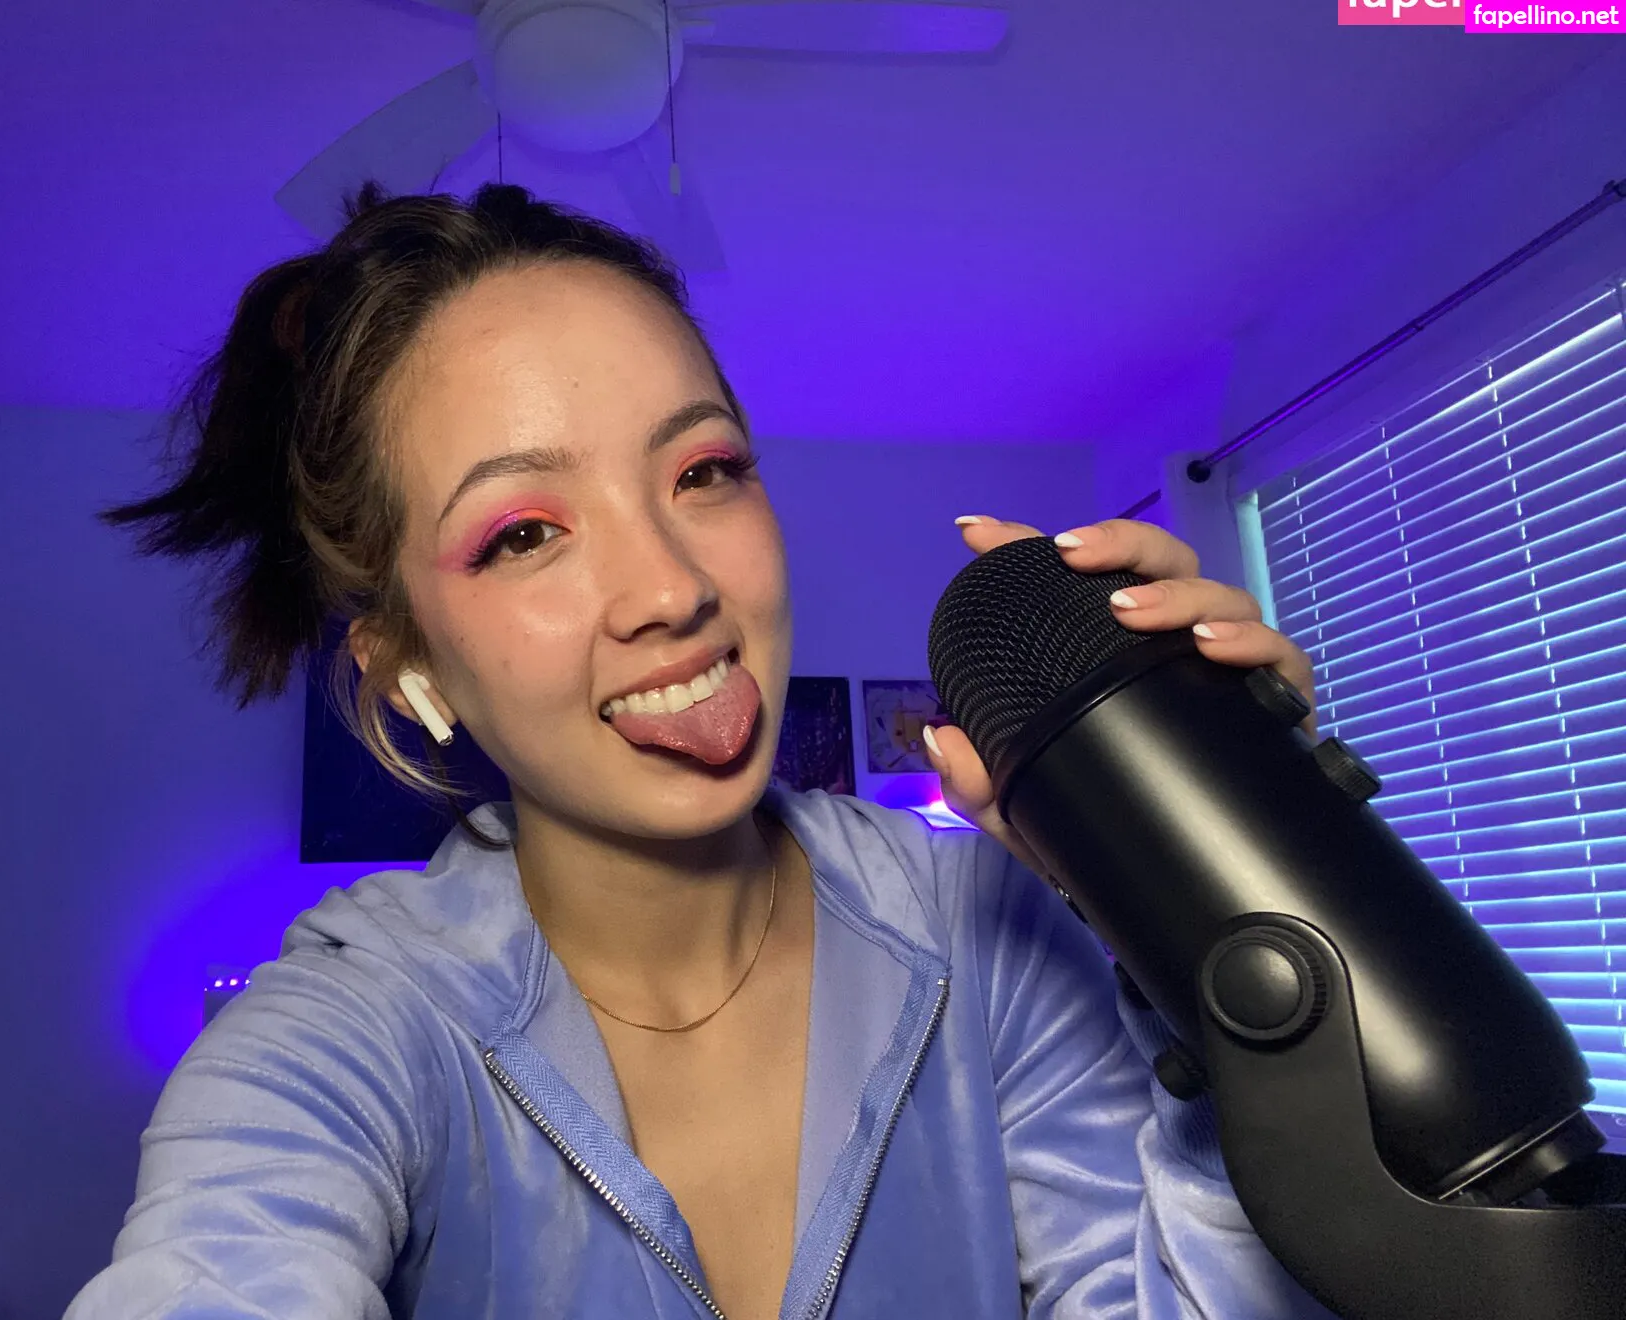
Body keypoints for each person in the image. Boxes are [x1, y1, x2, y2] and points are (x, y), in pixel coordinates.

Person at [67, 183, 1331, 1319]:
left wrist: (1231, 901)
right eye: (524, 534)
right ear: (409, 665)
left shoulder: (978, 926)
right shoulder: (347, 1030)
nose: (673, 588)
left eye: (705, 471)